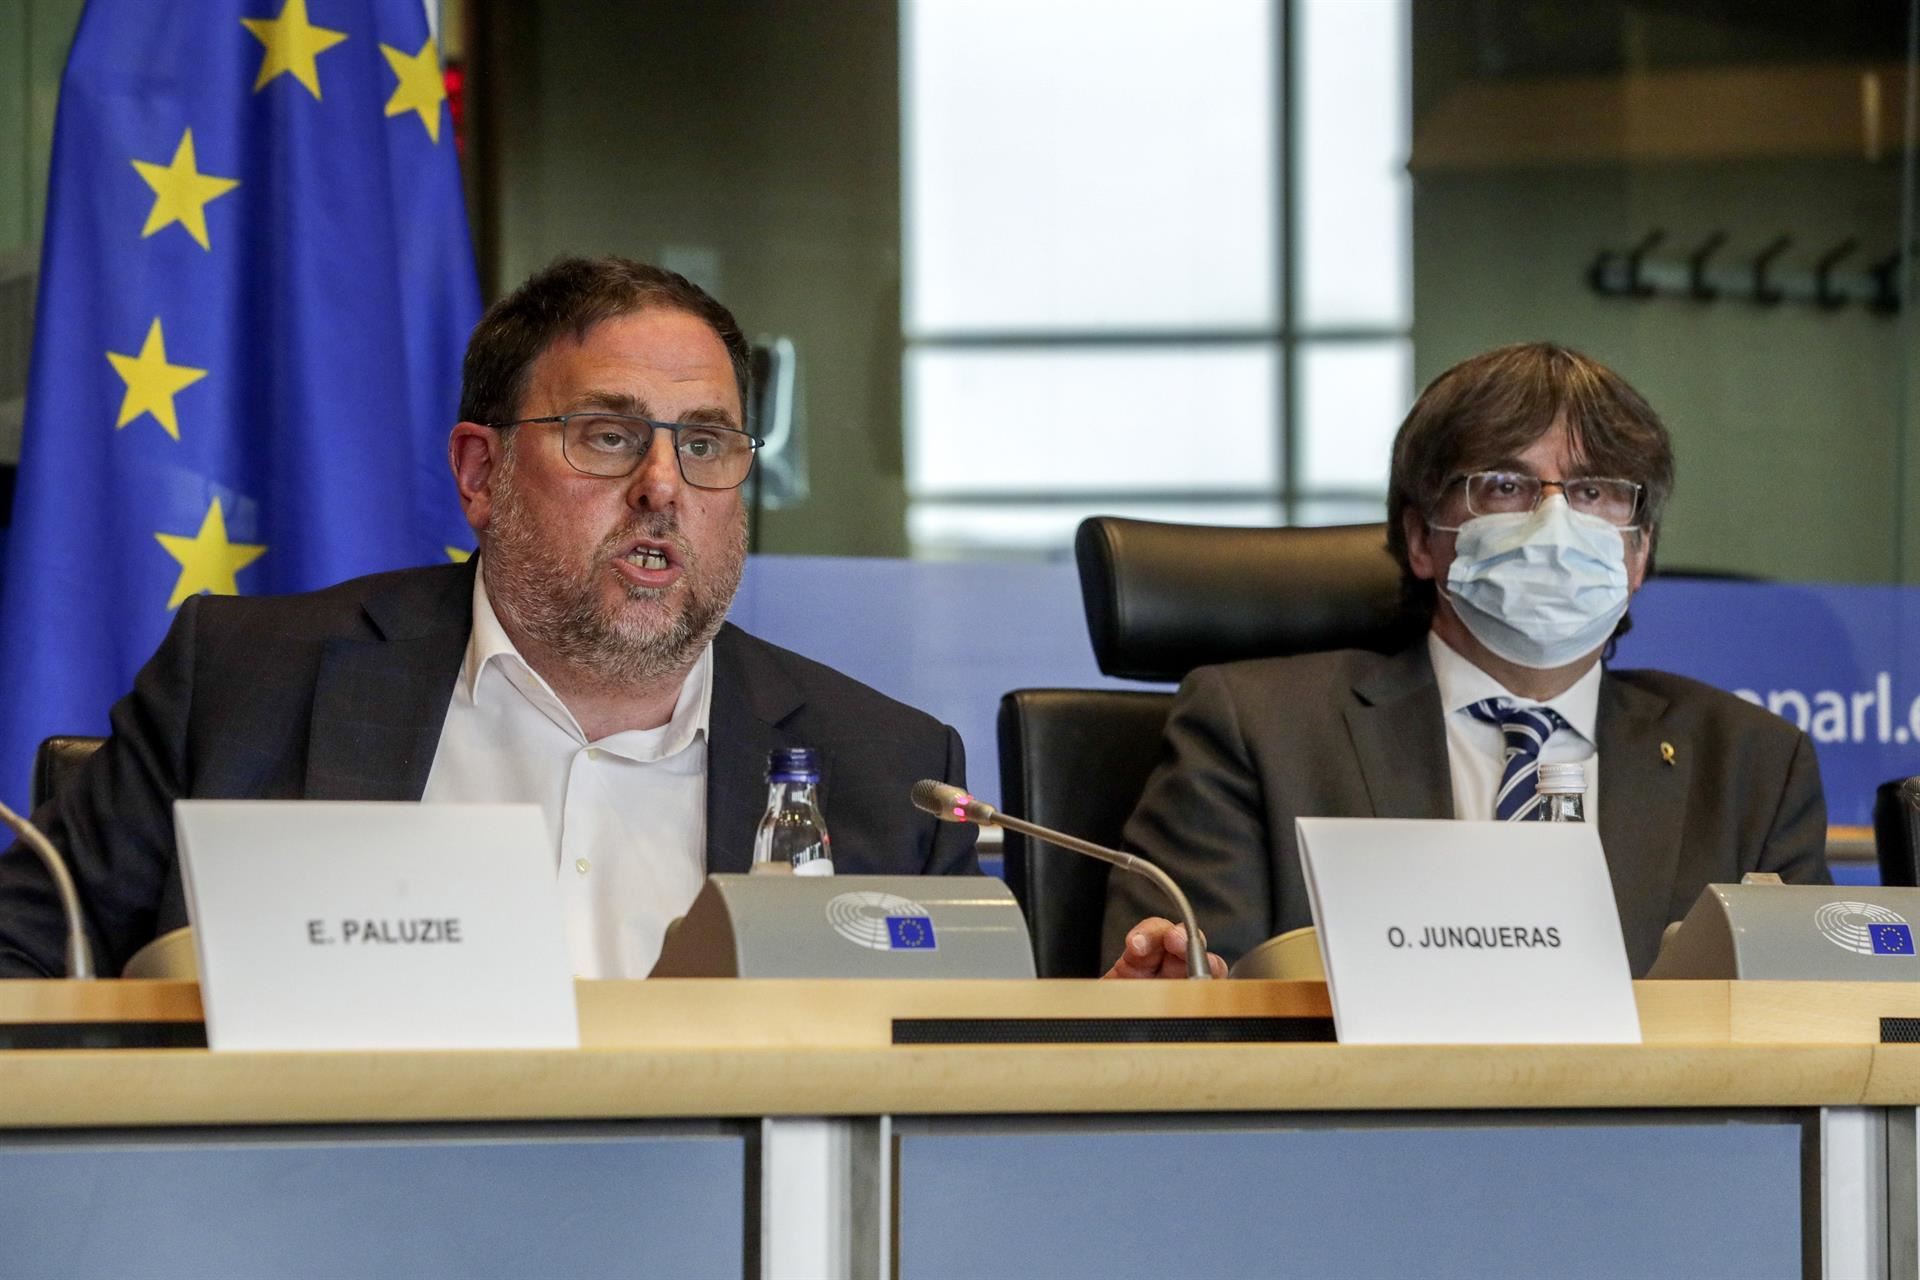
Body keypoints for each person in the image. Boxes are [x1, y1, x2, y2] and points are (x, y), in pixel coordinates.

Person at [0, 257, 976, 979]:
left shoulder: (888, 773)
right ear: (481, 472)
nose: (663, 488)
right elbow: (23, 963)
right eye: (609, 436)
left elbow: (962, 1075)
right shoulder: (243, 683)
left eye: (707, 444)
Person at [1103, 342, 1830, 980]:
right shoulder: (1257, 731)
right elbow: (1186, 1006)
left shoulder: (1752, 767)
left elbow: (1820, 1030)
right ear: (1422, 538)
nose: (1555, 522)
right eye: (1507, 486)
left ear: (1639, 551)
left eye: (1594, 491)